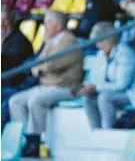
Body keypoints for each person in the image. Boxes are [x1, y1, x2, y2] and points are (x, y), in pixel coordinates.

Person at [9, 10, 84, 157]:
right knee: (15, 101)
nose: (45, 27)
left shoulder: (68, 41)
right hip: (46, 85)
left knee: (35, 100)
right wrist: (40, 68)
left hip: (65, 87)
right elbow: (38, 64)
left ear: (57, 25)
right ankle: (24, 139)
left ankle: (35, 141)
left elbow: (52, 65)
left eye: (47, 23)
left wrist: (40, 68)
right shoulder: (50, 41)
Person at [76, 22, 135, 129]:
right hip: (117, 93)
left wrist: (96, 87)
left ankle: (109, 133)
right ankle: (96, 133)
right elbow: (97, 80)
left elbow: (122, 85)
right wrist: (89, 88)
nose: (97, 45)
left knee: (104, 97)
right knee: (89, 98)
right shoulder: (101, 54)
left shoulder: (125, 54)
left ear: (110, 39)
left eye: (100, 41)